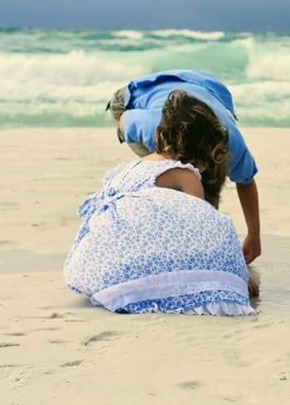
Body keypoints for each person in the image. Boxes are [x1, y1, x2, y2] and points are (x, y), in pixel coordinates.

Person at [64, 90, 257, 315]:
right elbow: (200, 231)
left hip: (100, 264)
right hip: (133, 265)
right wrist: (240, 274)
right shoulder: (186, 176)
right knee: (218, 229)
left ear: (159, 135)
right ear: (203, 153)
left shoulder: (129, 169)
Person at [107, 69, 261, 264]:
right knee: (166, 185)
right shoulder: (152, 128)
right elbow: (123, 120)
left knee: (203, 191)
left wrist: (254, 235)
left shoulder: (233, 146)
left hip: (205, 88)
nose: (196, 171)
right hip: (136, 96)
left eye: (199, 165)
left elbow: (246, 181)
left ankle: (201, 245)